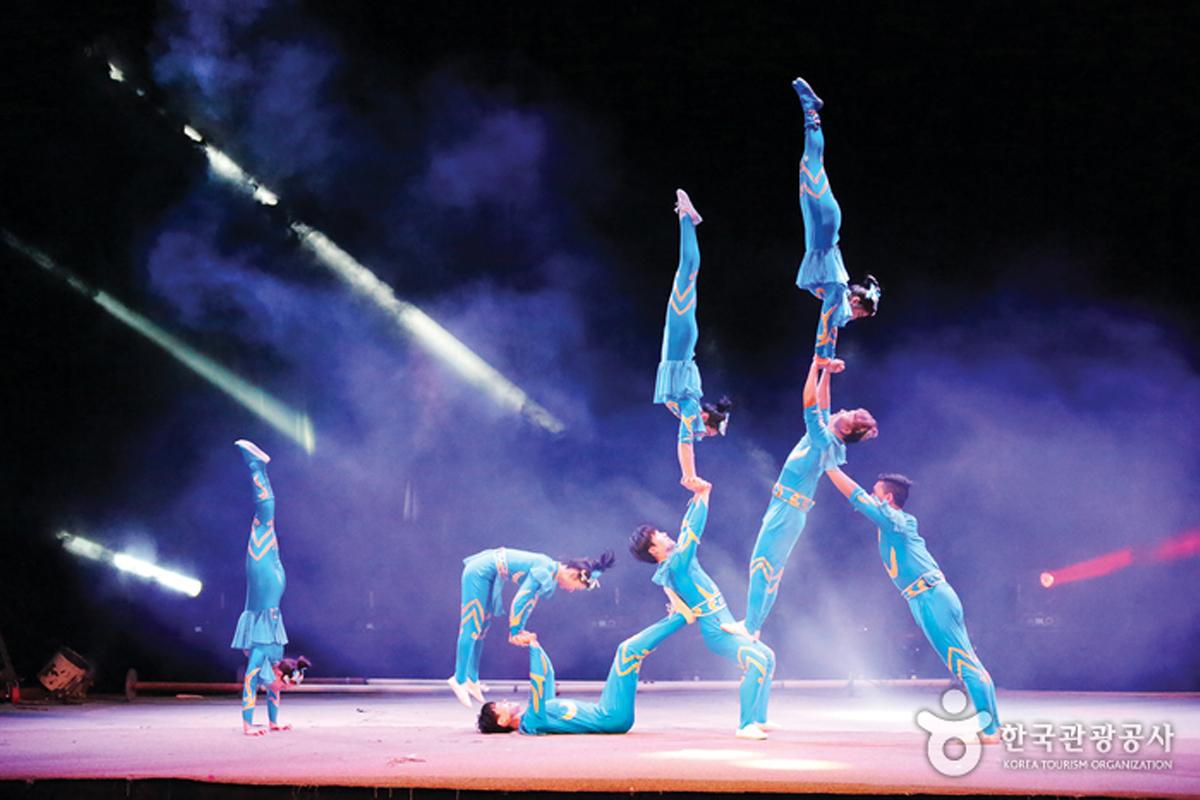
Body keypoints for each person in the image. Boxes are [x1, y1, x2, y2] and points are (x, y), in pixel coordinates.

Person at [823, 468, 1000, 742]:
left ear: (888, 498)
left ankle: (989, 730)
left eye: (876, 493)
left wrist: (829, 467)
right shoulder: (895, 522)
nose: (871, 496)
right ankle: (993, 726)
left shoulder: (896, 521)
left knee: (964, 664)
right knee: (969, 663)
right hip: (928, 597)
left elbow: (856, 496)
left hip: (931, 597)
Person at [726, 356, 877, 641]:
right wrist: (827, 373)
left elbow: (810, 404)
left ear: (844, 429)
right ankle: (753, 625)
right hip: (784, 507)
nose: (840, 410)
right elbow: (822, 404)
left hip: (788, 510)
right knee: (767, 567)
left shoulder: (824, 440)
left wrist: (814, 365)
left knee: (763, 565)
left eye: (846, 413)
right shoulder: (825, 437)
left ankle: (750, 626)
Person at [629, 484, 777, 739]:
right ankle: (744, 726)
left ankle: (759, 718)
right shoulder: (675, 565)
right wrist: (704, 496)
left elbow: (686, 529)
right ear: (653, 550)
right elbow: (693, 532)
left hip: (725, 622)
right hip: (717, 631)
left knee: (767, 657)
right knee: (757, 663)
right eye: (659, 535)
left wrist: (697, 496)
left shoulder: (677, 561)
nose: (665, 534)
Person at [449, 548, 615, 707]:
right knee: (471, 625)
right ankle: (459, 678)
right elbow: (521, 600)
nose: (571, 590)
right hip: (479, 572)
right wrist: (515, 631)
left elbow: (529, 603)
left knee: (482, 627)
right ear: (574, 574)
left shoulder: (548, 570)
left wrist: (519, 629)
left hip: (488, 574)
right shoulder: (545, 569)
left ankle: (471, 678)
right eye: (574, 587)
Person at [791, 76, 882, 362]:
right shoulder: (836, 286)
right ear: (855, 302)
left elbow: (831, 321)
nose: (854, 318)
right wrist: (824, 356)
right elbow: (829, 323)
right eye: (859, 313)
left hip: (817, 226)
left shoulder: (831, 290)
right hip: (827, 222)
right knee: (811, 163)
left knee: (807, 164)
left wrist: (827, 351)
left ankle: (810, 111)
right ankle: (810, 110)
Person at [476, 615, 687, 734]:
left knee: (629, 654)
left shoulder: (538, 712)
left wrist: (536, 645)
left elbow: (547, 676)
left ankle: (677, 617)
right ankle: (680, 617)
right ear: (502, 721)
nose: (504, 701)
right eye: (498, 706)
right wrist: (531, 646)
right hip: (610, 717)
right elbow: (537, 683)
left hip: (609, 714)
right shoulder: (531, 721)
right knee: (627, 651)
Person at [653, 188, 733, 492]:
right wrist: (690, 476)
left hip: (677, 344)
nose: (705, 434)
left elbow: (690, 439)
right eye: (709, 432)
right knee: (687, 272)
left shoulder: (688, 406)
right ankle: (687, 218)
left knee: (687, 274)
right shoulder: (689, 406)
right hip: (680, 341)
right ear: (705, 419)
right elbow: (686, 446)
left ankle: (687, 218)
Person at [230, 439, 309, 735]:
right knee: (264, 520)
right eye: (284, 684)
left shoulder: (274, 658)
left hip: (273, 581)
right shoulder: (265, 654)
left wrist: (273, 723)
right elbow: (251, 682)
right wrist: (248, 727)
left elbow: (268, 688)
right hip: (266, 580)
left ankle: (257, 467)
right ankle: (256, 467)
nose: (280, 690)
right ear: (280, 673)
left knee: (265, 522)